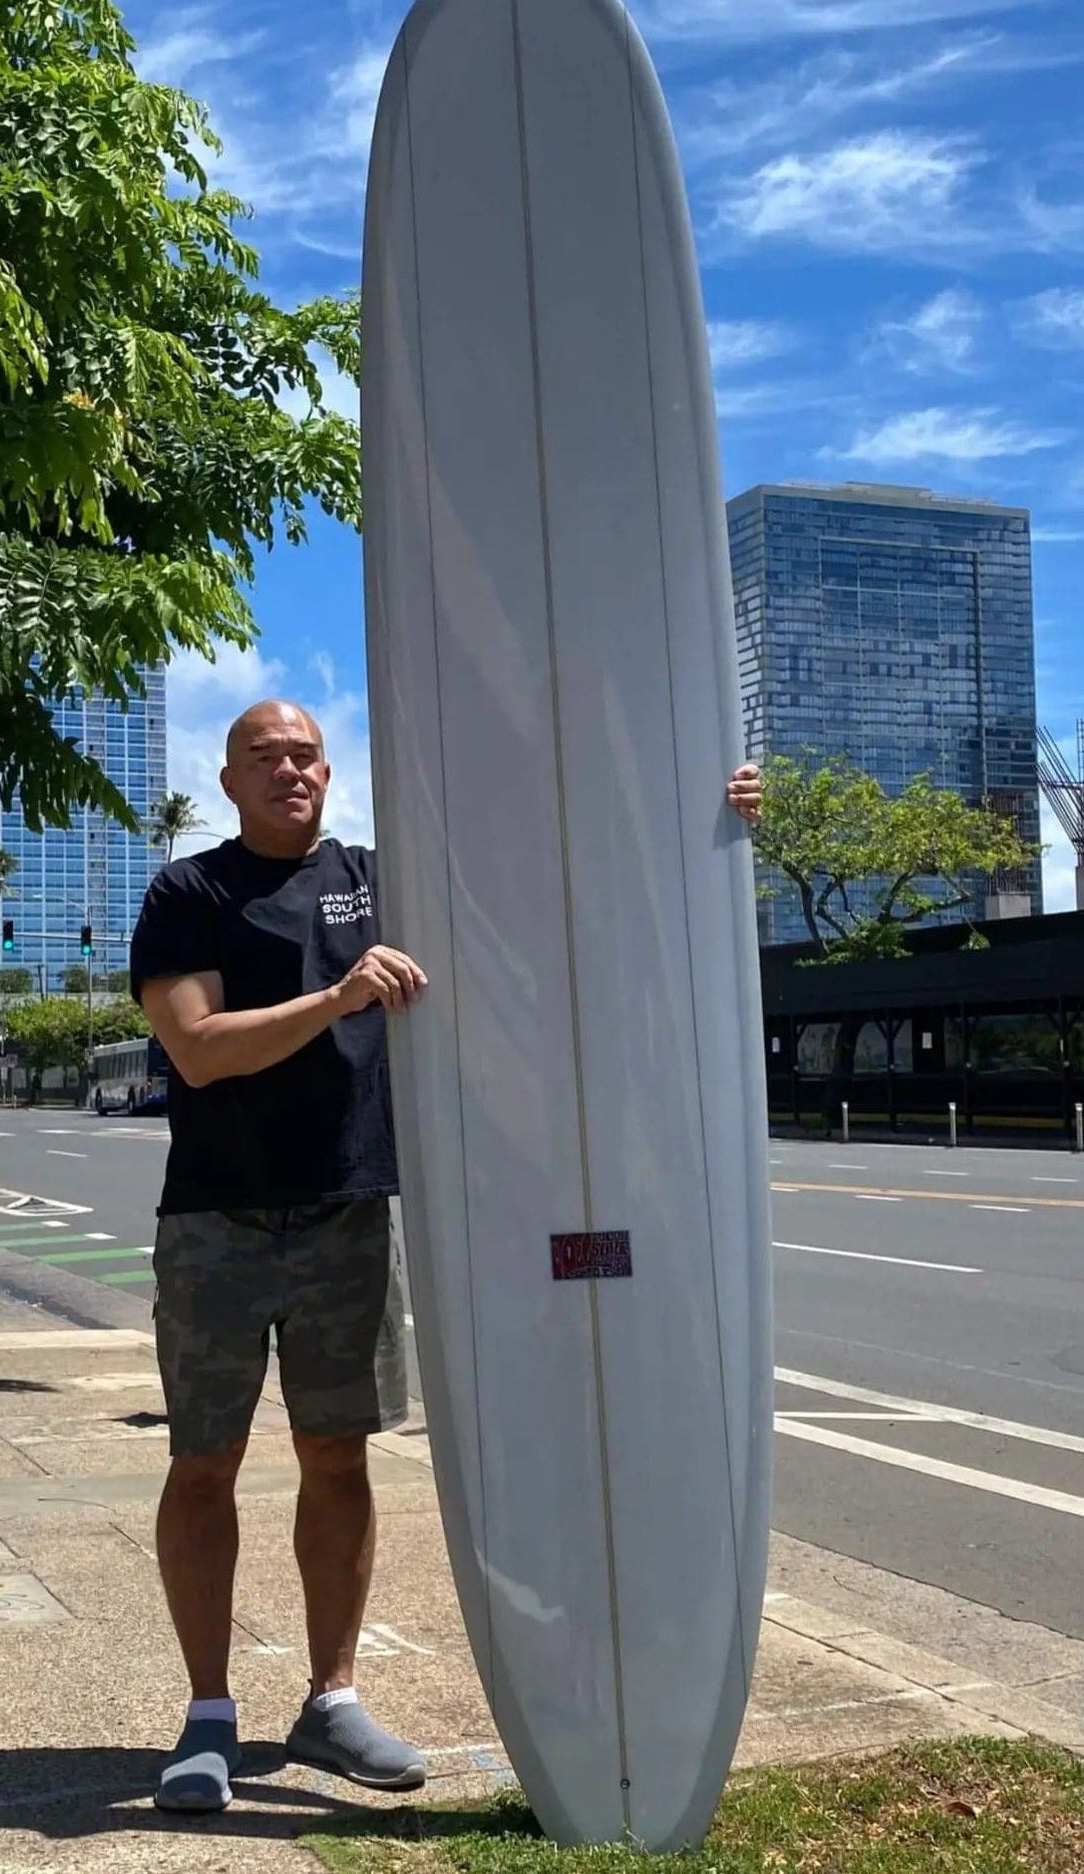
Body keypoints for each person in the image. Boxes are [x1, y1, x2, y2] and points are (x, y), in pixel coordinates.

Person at [130, 700, 763, 1815]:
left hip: (347, 1213)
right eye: (263, 756)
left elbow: (549, 889)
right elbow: (194, 1049)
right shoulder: (189, 892)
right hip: (215, 1221)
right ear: (227, 780)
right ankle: (207, 1713)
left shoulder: (386, 879)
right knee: (204, 1461)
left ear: (328, 771)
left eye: (304, 754)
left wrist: (700, 821)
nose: (289, 768)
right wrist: (336, 997)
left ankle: (330, 1697)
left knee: (339, 1458)